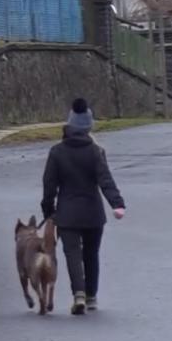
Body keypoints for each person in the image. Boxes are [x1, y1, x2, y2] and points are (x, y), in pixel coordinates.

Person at [41, 98, 125, 314]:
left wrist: (48, 210)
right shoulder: (96, 151)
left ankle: (78, 293)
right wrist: (117, 203)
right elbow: (105, 180)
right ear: (89, 126)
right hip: (93, 213)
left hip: (67, 214)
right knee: (91, 254)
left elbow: (49, 185)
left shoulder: (57, 152)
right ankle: (91, 296)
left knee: (72, 254)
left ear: (69, 125)